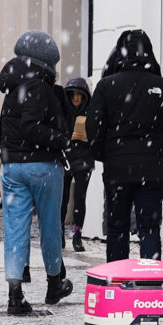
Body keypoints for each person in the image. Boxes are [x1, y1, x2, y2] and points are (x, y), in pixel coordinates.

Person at [86, 29, 163, 263]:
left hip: (117, 168)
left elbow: (93, 126)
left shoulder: (107, 86)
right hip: (152, 168)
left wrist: (104, 154)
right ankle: (149, 276)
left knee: (117, 228)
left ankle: (118, 276)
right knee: (149, 228)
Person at [0, 30, 74, 315]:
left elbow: (4, 129)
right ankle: (54, 283)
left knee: (15, 229)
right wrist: (61, 140)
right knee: (50, 226)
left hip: (13, 166)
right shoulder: (39, 87)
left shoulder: (12, 88)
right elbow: (32, 127)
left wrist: (11, 154)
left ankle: (15, 293)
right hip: (43, 165)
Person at [61, 77, 94, 252]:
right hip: (66, 158)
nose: (75, 98)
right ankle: (60, 232)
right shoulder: (62, 111)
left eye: (79, 95)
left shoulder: (90, 112)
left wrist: (87, 136)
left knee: (80, 198)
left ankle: (77, 234)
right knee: (63, 198)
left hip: (84, 158)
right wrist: (67, 137)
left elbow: (97, 134)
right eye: (73, 95)